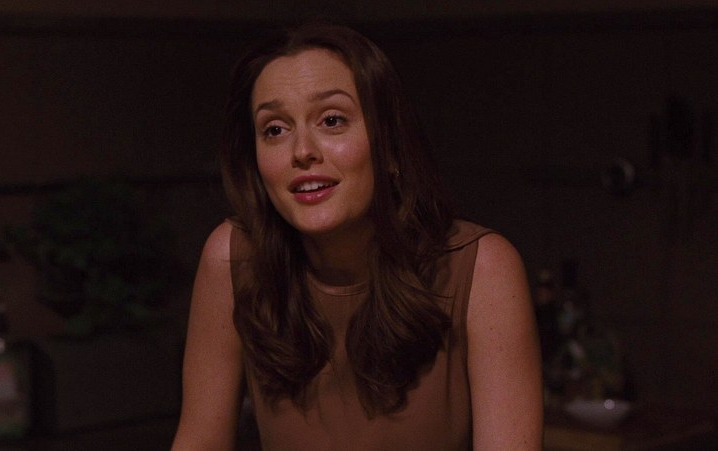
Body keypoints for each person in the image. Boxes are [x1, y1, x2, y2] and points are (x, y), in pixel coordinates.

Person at [172, 22, 542, 450]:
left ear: (390, 147)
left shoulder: (482, 268)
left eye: (332, 120)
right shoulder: (233, 259)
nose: (302, 151)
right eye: (274, 129)